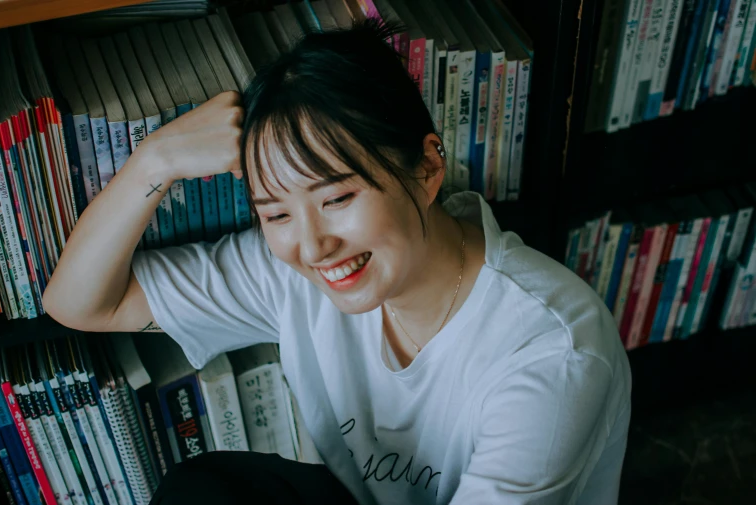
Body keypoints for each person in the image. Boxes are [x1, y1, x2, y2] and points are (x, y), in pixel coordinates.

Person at [45, 20, 632, 505]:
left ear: (427, 169)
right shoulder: (295, 271)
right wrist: (155, 161)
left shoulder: (551, 352)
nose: (312, 246)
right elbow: (80, 304)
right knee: (202, 492)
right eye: (276, 214)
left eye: (337, 199)